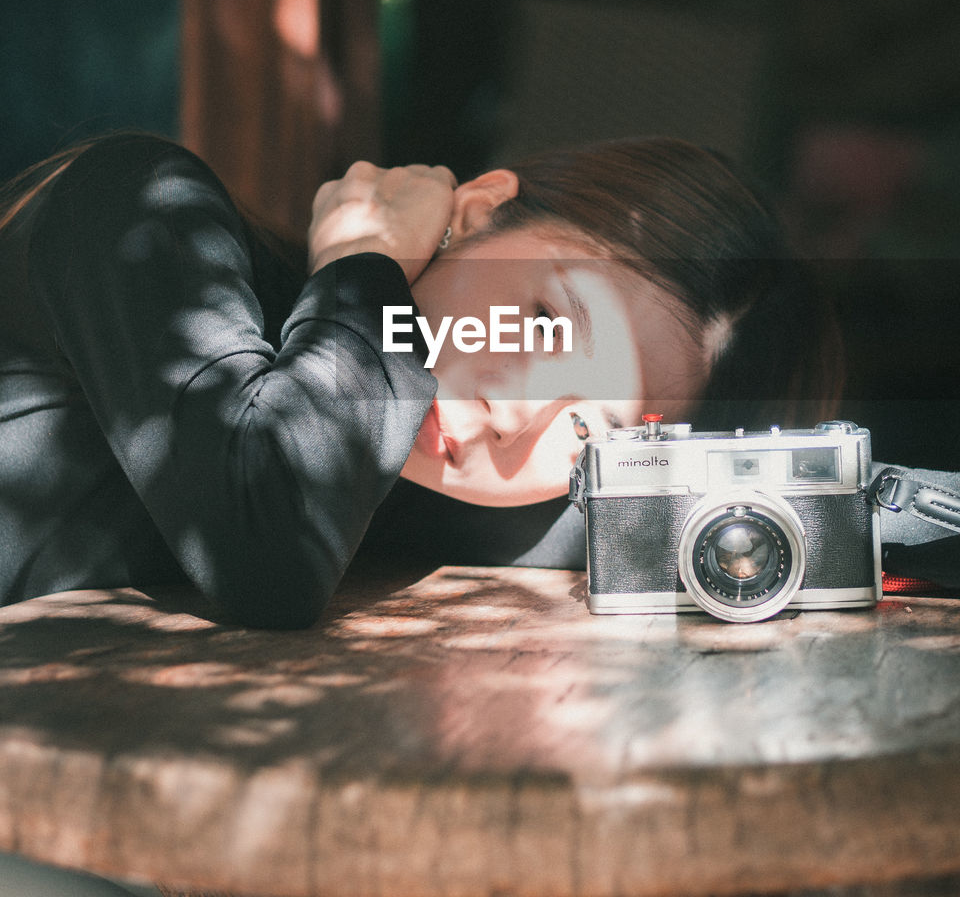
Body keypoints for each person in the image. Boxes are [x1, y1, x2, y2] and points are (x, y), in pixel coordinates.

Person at [0, 130, 841, 629]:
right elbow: (263, 545)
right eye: (547, 320)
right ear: (473, 213)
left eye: (590, 428)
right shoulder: (146, 213)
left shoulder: (422, 477)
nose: (515, 417)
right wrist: (366, 259)